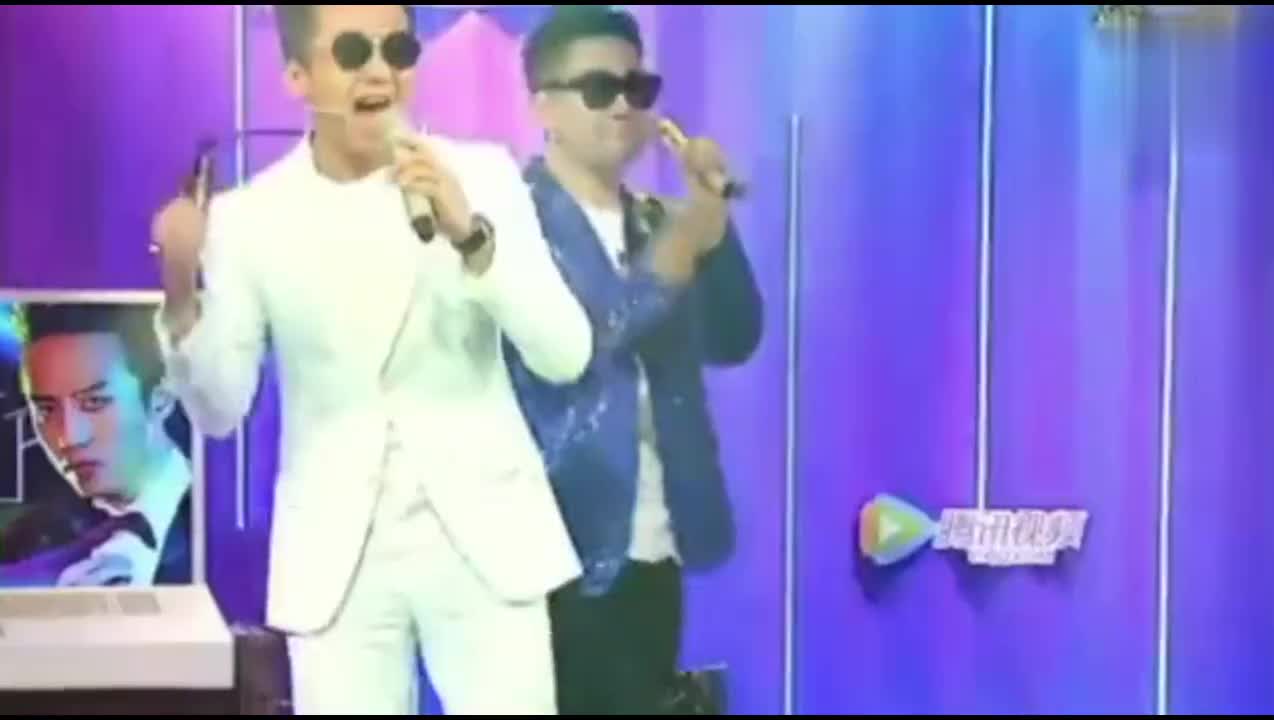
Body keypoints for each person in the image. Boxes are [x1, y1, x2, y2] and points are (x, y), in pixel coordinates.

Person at [149, 4, 593, 715]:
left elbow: (566, 353)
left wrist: (472, 239)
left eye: (398, 49)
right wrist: (180, 292)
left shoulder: (482, 176)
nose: (380, 71)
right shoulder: (251, 218)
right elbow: (220, 409)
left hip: (484, 538)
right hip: (338, 557)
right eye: (353, 51)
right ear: (298, 76)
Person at [506, 6, 763, 715]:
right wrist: (675, 255)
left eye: (637, 88)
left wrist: (713, 222)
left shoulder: (656, 219)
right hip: (556, 544)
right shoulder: (512, 222)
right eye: (598, 89)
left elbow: (736, 336)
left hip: (657, 542)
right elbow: (578, 349)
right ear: (544, 107)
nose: (623, 105)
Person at [0, 302, 193, 588]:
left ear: (161, 399)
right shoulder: (25, 545)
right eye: (46, 411)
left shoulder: (222, 525)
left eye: (94, 403)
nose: (69, 438)